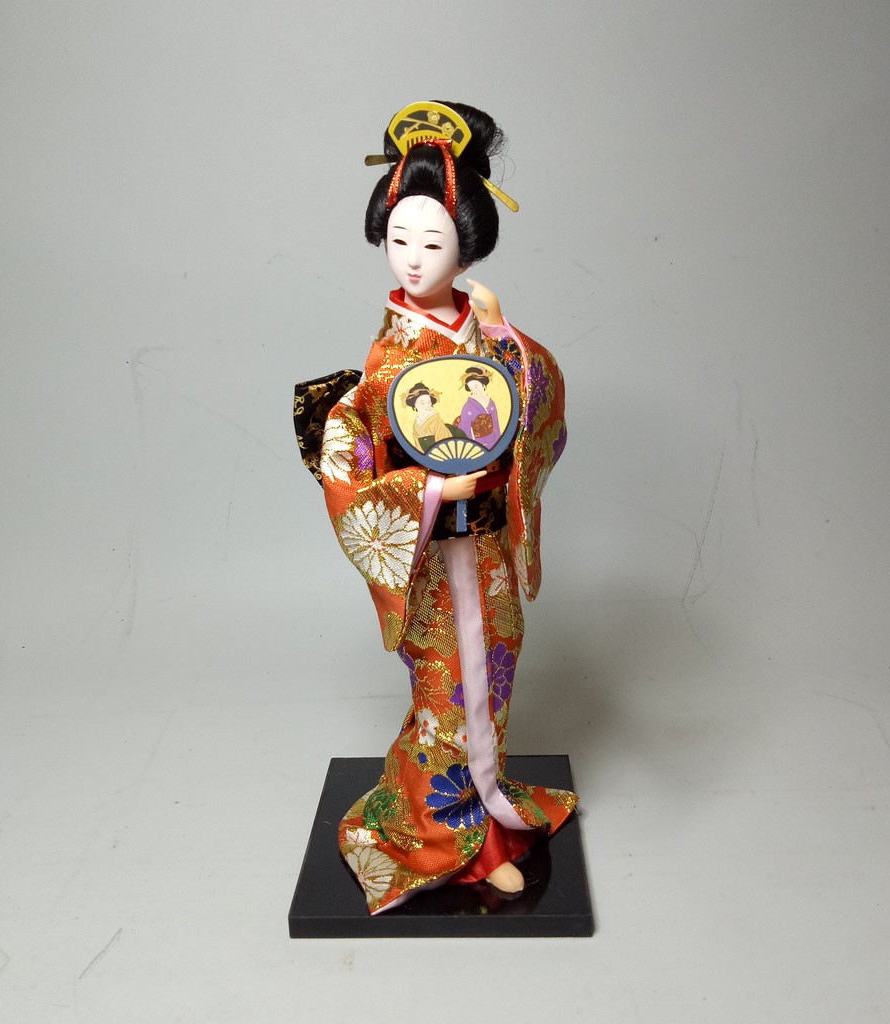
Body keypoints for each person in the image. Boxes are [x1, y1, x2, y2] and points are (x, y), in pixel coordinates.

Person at [295, 101, 574, 914]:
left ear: (466, 247)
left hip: (483, 551)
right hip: (429, 552)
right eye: (400, 241)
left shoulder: (484, 333)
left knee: (492, 678)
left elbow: (538, 402)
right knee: (446, 694)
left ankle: (485, 809)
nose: (413, 260)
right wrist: (428, 489)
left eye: (432, 243)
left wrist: (505, 335)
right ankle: (453, 842)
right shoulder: (390, 353)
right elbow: (350, 459)